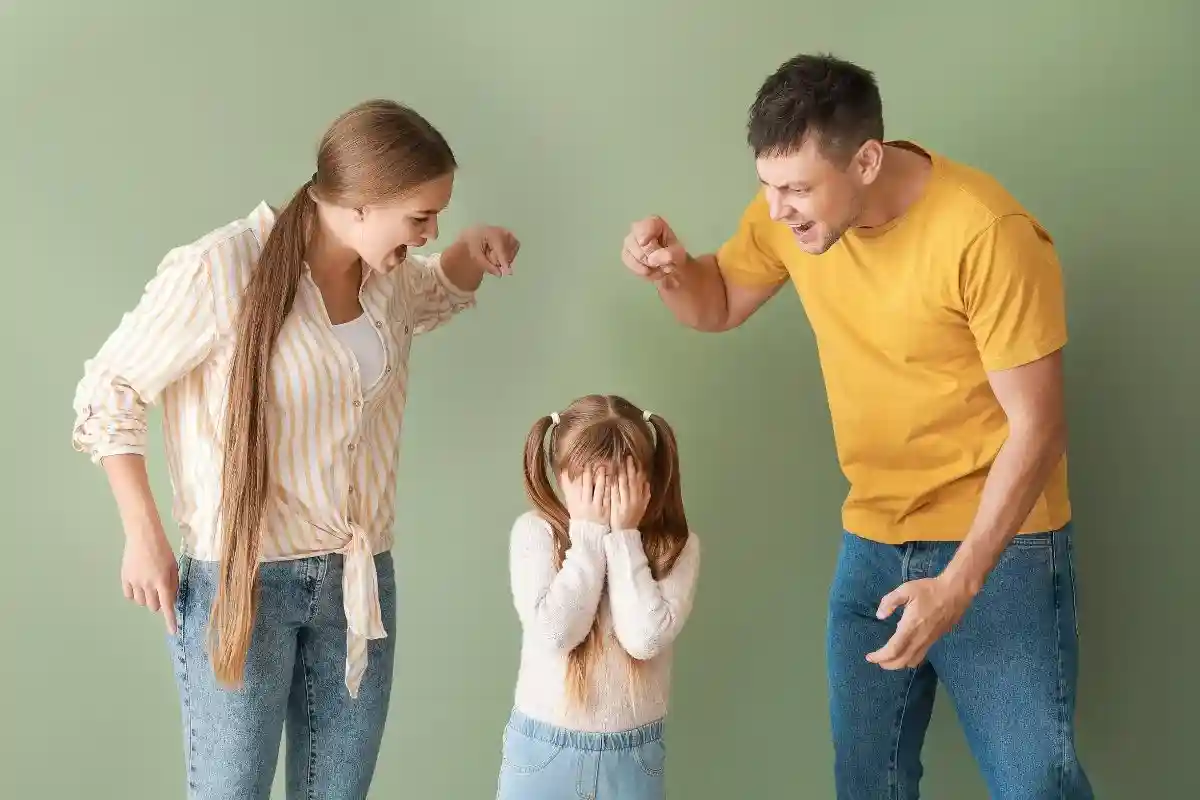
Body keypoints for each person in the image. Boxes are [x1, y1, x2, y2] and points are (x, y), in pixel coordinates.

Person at [620, 54, 1093, 799]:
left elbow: (1038, 428)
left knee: (1036, 785)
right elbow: (715, 305)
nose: (777, 209)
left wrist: (961, 580)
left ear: (867, 160)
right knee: (867, 783)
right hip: (872, 541)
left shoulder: (986, 232)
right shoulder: (790, 218)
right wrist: (672, 269)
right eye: (768, 185)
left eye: (797, 188)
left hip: (1000, 550)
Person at [71, 99, 520, 800]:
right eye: (421, 217)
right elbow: (110, 389)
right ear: (363, 205)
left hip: (358, 579)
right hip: (241, 584)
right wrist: (142, 534)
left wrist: (467, 253)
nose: (432, 231)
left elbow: (424, 299)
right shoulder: (222, 269)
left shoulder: (388, 274)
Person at [496, 395, 701, 800]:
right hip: (542, 752)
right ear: (562, 477)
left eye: (620, 482)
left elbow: (645, 639)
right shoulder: (535, 533)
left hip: (631, 759)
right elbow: (555, 634)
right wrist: (588, 535)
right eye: (591, 483)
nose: (605, 497)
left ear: (648, 480)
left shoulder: (676, 546)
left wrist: (625, 538)